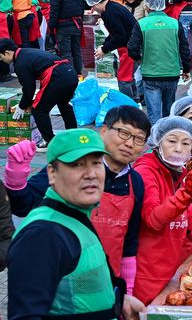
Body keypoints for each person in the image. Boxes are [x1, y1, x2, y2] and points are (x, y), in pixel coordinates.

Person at [4, 106, 150, 294]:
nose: (130, 144)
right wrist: (15, 179)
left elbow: (129, 242)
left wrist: (127, 291)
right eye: (124, 133)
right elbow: (24, 205)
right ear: (104, 131)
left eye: (139, 139)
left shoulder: (135, 182)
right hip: (63, 286)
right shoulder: (72, 166)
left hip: (105, 284)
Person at [133, 116, 192, 304]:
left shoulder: (181, 174)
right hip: (144, 277)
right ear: (158, 143)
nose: (178, 148)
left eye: (186, 143)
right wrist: (187, 192)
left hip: (167, 272)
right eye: (171, 141)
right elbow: (153, 219)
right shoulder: (146, 171)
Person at [0, 38, 78, 150]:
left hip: (59, 78)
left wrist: (22, 106)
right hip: (70, 74)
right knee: (63, 104)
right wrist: (24, 103)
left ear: (7, 52)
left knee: (39, 110)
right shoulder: (26, 52)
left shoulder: (20, 63)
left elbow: (29, 89)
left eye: (1, 57)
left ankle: (50, 141)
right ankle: (74, 135)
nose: (1, 60)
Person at [127, 0, 190, 125]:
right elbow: (184, 48)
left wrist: (141, 59)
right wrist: (186, 69)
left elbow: (132, 48)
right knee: (169, 110)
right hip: (171, 73)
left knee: (154, 113)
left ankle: (155, 141)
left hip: (151, 74)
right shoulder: (174, 23)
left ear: (148, 6)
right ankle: (169, 137)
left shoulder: (141, 24)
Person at [88, 0, 139, 100]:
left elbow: (120, 37)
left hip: (130, 48)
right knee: (128, 76)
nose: (93, 9)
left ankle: (128, 105)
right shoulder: (111, 7)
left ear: (97, 3)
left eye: (93, 6)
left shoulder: (110, 13)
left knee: (124, 78)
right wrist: (103, 46)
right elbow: (115, 33)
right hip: (130, 46)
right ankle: (135, 100)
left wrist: (104, 49)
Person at [48, 0, 85, 76]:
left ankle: (70, 74)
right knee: (76, 50)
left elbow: (54, 11)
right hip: (76, 24)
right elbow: (81, 8)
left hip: (63, 26)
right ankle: (78, 73)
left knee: (66, 52)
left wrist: (51, 26)